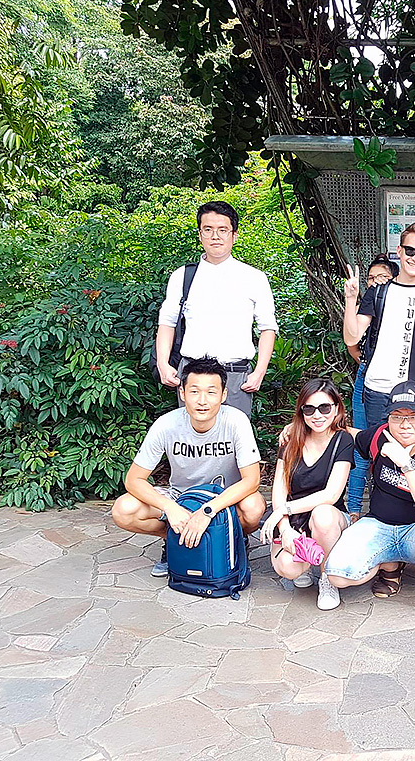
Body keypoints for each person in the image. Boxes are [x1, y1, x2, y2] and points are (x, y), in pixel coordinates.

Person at [323, 381, 415, 632]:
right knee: (337, 575)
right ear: (388, 418)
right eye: (397, 417)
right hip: (380, 525)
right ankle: (390, 565)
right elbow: (351, 434)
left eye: (414, 417)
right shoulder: (379, 436)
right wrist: (301, 427)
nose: (405, 424)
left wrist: (407, 464)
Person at [112, 356, 266, 576]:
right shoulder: (166, 424)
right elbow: (133, 480)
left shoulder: (236, 421)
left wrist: (208, 511)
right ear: (182, 393)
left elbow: (252, 480)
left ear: (223, 395)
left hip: (224, 499)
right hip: (181, 498)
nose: (202, 400)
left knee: (254, 507)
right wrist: (170, 508)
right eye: (194, 391)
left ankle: (231, 539)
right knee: (123, 510)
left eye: (211, 392)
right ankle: (176, 540)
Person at [156, 201, 278, 417]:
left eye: (223, 230)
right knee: (191, 436)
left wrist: (259, 372)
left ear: (234, 235)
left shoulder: (254, 278)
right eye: (208, 229)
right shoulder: (182, 276)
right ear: (200, 235)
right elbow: (167, 322)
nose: (215, 236)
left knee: (233, 435)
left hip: (236, 376)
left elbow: (268, 327)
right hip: (192, 375)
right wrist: (163, 364)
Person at [343, 223, 415, 429]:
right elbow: (351, 338)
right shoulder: (378, 292)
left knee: (410, 446)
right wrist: (350, 299)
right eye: (410, 251)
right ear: (399, 251)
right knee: (377, 444)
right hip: (377, 388)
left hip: (414, 390)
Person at [260, 379, 353, 610]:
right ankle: (306, 561)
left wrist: (283, 510)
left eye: (325, 407)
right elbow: (279, 492)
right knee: (288, 567)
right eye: (309, 409)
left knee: (323, 515)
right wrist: (285, 529)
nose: (317, 415)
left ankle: (327, 577)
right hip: (295, 519)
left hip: (329, 517)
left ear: (336, 409)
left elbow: (331, 495)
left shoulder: (342, 440)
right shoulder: (291, 440)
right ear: (301, 411)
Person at [345, 255, 398, 520]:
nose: (376, 282)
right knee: (360, 440)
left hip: (392, 382)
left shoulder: (400, 306)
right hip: (366, 377)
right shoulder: (366, 307)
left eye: (382, 277)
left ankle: (381, 507)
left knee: (385, 443)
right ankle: (354, 509)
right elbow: (352, 342)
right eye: (371, 278)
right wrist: (366, 363)